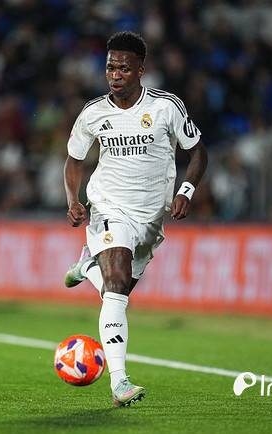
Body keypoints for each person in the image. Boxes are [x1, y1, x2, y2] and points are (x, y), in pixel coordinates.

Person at [63, 32, 207, 407]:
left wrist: (186, 191)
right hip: (109, 206)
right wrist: (73, 199)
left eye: (124, 68)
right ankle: (120, 382)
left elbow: (198, 152)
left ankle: (87, 266)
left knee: (119, 292)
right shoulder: (93, 113)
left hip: (151, 218)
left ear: (141, 70)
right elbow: (74, 160)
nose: (115, 74)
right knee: (115, 287)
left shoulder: (166, 107)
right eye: (110, 67)